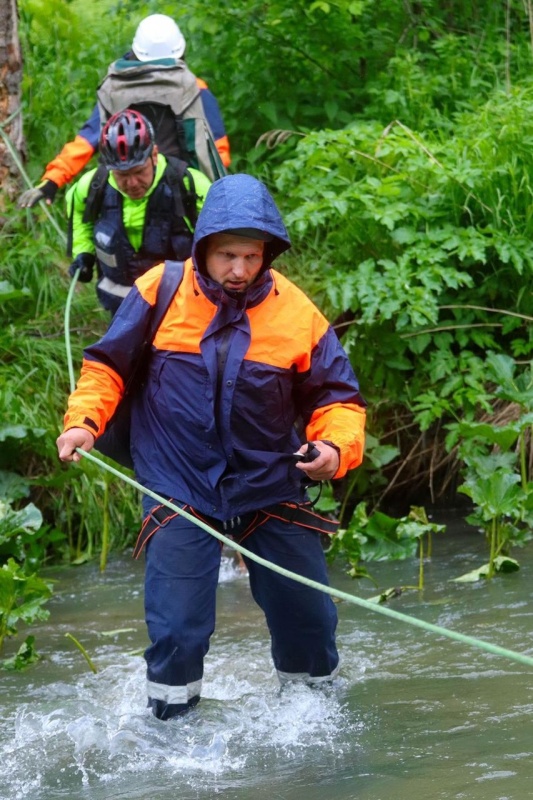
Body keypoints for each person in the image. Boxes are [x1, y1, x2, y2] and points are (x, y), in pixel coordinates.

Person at [56, 173, 367, 721]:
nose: (239, 270)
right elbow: (107, 367)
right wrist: (83, 422)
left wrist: (335, 452)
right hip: (179, 485)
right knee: (178, 631)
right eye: (227, 255)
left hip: (271, 481)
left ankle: (314, 724)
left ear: (267, 253)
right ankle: (170, 738)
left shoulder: (299, 315)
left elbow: (339, 399)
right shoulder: (160, 288)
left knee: (309, 622)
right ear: (203, 249)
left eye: (250, 256)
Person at [18, 14, 230, 209]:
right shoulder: (195, 89)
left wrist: (52, 181)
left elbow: (85, 141)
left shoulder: (114, 89)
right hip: (186, 197)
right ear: (181, 53)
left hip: (124, 195)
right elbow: (218, 153)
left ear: (135, 53)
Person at [66, 108, 211, 315]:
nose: (132, 183)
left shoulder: (190, 184)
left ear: (154, 154)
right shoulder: (92, 186)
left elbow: (219, 236)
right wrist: (83, 253)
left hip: (180, 306)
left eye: (139, 172)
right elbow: (80, 215)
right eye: (122, 175)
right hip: (120, 305)